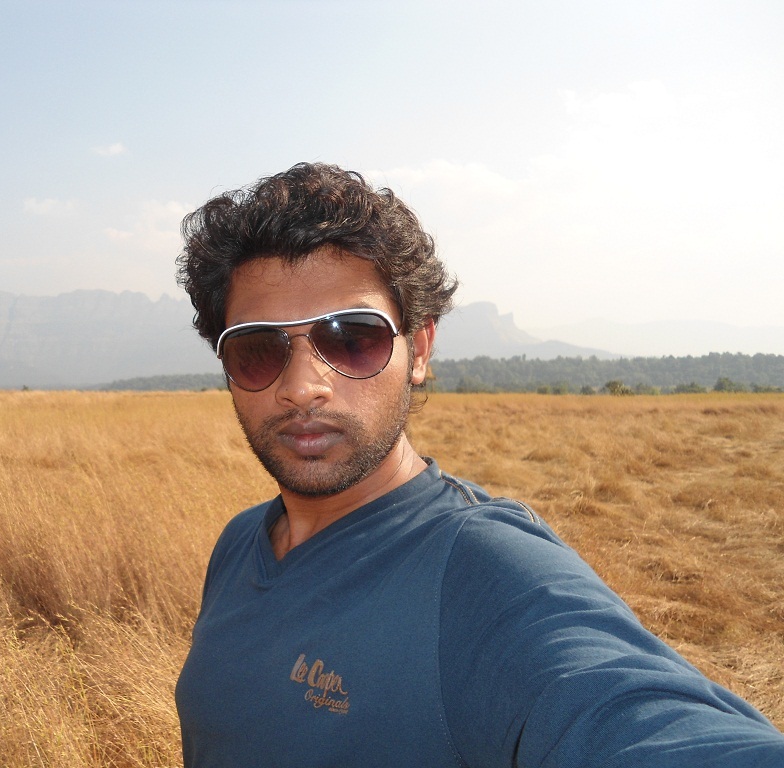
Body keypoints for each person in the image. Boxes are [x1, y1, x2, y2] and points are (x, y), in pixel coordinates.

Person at [173, 162, 784, 767]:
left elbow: (628, 715)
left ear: (420, 350)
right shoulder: (239, 544)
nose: (302, 386)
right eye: (258, 349)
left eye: (352, 338)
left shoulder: (483, 571)